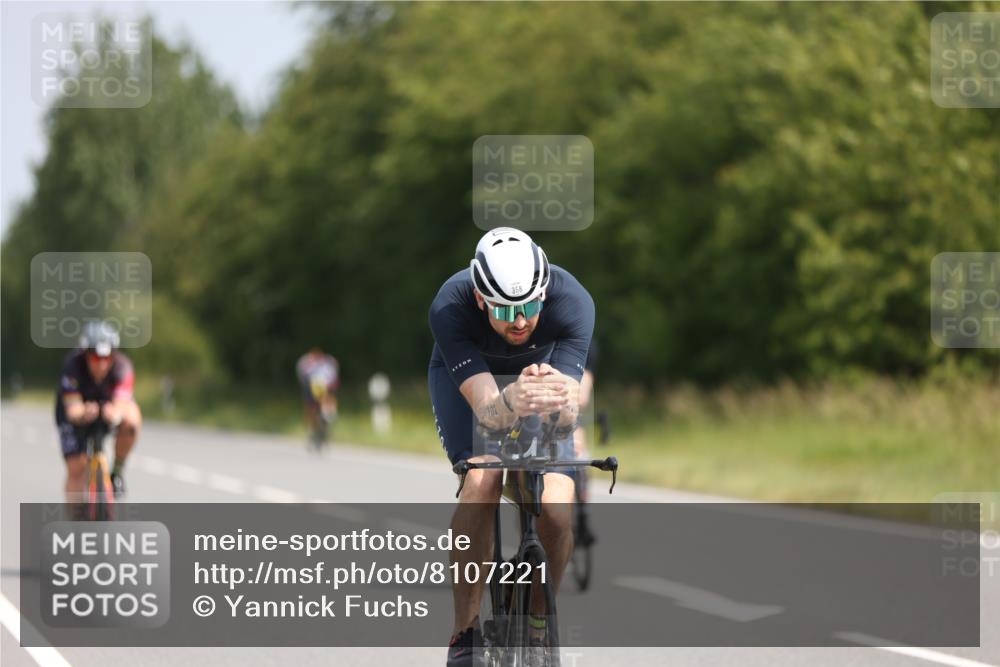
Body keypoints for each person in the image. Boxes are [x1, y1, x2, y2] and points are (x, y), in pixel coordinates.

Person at [428, 227, 594, 666]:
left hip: (539, 380)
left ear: (545, 292)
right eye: (505, 308)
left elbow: (568, 418)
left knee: (557, 505)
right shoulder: (450, 306)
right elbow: (487, 412)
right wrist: (510, 401)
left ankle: (537, 625)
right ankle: (465, 632)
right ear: (481, 299)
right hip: (474, 385)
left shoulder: (573, 300)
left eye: (530, 305)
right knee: (483, 479)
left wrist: (563, 406)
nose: (519, 320)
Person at [54, 320, 141, 502]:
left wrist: (115, 413)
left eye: (106, 359)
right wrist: (83, 413)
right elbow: (73, 409)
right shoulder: (72, 366)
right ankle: (77, 523)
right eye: (95, 358)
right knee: (76, 469)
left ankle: (117, 472)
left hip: (108, 407)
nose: (101, 365)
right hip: (76, 411)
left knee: (132, 420)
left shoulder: (123, 367)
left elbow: (122, 404)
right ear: (85, 355)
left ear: (113, 356)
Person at [296, 347, 340, 443]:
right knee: (311, 407)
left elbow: (334, 377)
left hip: (326, 387)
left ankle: (328, 415)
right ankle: (312, 428)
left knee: (328, 398)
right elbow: (302, 377)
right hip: (312, 387)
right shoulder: (306, 362)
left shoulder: (329, 363)